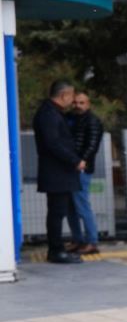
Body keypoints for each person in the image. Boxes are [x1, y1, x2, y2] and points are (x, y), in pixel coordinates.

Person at [32, 80, 84, 264]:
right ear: (64, 95)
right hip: (56, 172)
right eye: (71, 96)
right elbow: (53, 143)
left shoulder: (51, 112)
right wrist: (75, 160)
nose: (73, 100)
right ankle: (56, 250)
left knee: (59, 211)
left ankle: (59, 248)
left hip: (59, 172)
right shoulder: (49, 114)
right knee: (56, 212)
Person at [67, 91, 105, 255]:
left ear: (88, 104)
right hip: (70, 167)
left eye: (82, 103)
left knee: (82, 206)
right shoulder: (72, 119)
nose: (78, 106)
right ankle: (78, 240)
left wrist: (82, 161)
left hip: (82, 168)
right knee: (71, 207)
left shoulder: (93, 121)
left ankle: (92, 242)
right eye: (75, 102)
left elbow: (92, 145)